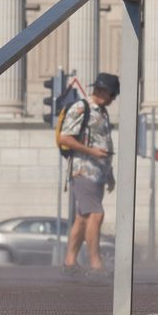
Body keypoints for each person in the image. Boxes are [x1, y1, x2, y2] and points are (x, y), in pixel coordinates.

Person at [59, 73, 118, 276]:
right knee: (97, 214)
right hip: (83, 170)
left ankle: (69, 262)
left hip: (98, 173)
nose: (113, 99)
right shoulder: (81, 107)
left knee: (83, 218)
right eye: (112, 94)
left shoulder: (102, 112)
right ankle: (96, 264)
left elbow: (103, 143)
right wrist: (92, 152)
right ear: (102, 91)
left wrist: (109, 173)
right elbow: (65, 137)